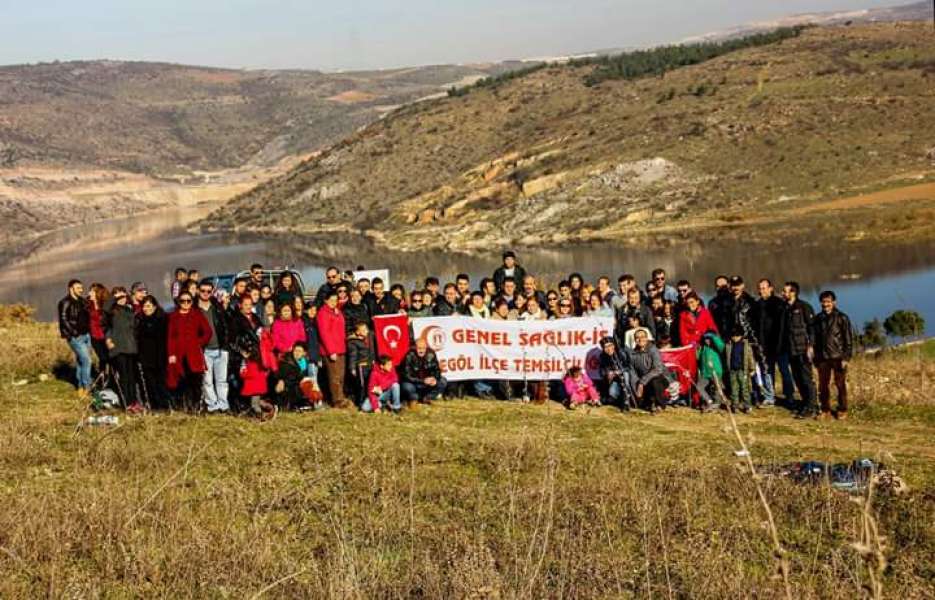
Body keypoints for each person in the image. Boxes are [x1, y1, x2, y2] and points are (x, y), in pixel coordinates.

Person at [166, 291, 213, 412]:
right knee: (182, 381)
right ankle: (185, 407)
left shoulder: (197, 314)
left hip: (194, 353)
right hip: (179, 353)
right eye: (183, 301)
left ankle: (197, 407)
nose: (186, 303)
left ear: (192, 302)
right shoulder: (173, 317)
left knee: (196, 381)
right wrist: (171, 354)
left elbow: (208, 332)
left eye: (188, 301)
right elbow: (171, 337)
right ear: (178, 302)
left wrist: (199, 343)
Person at [779, 281, 818, 418]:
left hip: (803, 349)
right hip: (791, 350)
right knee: (797, 378)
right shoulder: (784, 308)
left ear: (793, 292)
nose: (783, 293)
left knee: (806, 378)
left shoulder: (804, 307)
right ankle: (805, 403)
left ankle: (813, 407)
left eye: (785, 291)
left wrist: (811, 346)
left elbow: (812, 328)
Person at [813, 290, 853, 420]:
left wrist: (846, 357)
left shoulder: (842, 317)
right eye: (823, 302)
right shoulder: (818, 319)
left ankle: (842, 409)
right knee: (823, 385)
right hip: (822, 357)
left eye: (828, 302)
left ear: (834, 302)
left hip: (838, 357)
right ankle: (825, 410)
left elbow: (848, 340)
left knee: (840, 384)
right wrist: (814, 355)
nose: (826, 304)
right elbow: (814, 338)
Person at [106, 287, 143, 413]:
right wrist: (115, 297)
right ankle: (126, 403)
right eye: (118, 297)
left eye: (123, 297)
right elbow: (104, 316)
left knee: (131, 376)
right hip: (119, 347)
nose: (122, 299)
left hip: (131, 347)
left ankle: (134, 402)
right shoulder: (111, 311)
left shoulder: (129, 309)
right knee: (124, 376)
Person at [197, 279, 231, 414]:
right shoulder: (195, 309)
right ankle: (212, 406)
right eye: (203, 291)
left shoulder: (217, 307)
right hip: (204, 350)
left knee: (222, 380)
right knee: (207, 381)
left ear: (212, 292)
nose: (205, 293)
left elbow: (225, 325)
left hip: (221, 348)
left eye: (208, 291)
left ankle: (223, 405)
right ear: (198, 291)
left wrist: (226, 344)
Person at [752, 278, 787, 406]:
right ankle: (769, 396)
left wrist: (781, 343)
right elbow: (755, 326)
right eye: (760, 288)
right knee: (767, 371)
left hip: (779, 344)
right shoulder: (757, 305)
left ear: (771, 288)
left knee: (784, 371)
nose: (762, 291)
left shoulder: (779, 304)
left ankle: (788, 396)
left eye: (764, 288)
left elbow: (783, 326)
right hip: (763, 345)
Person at [58, 279, 92, 396]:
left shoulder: (83, 301)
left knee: (81, 361)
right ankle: (87, 387)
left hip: (86, 335)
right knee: (87, 361)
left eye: (81, 288)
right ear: (70, 288)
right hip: (75, 337)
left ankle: (80, 387)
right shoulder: (65, 302)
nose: (81, 290)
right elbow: (63, 320)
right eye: (78, 288)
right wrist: (73, 333)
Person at [317, 290, 350, 408]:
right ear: (326, 300)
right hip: (331, 350)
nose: (334, 302)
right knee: (334, 376)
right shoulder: (323, 313)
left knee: (341, 375)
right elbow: (324, 333)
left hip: (341, 347)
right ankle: (337, 400)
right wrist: (331, 351)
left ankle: (340, 396)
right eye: (331, 300)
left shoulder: (336, 311)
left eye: (335, 300)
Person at [137, 295, 171, 410]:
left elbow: (165, 339)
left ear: (155, 307)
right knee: (150, 384)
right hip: (146, 358)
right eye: (144, 306)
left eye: (149, 306)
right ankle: (155, 406)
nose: (146, 309)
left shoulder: (162, 319)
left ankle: (165, 405)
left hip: (160, 357)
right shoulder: (140, 321)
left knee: (161, 383)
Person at [628, 329, 668, 412]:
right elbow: (633, 374)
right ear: (635, 340)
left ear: (647, 338)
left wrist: (642, 382)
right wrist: (636, 388)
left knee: (655, 381)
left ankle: (660, 405)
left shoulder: (653, 350)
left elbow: (658, 369)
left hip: (659, 379)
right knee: (641, 403)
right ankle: (649, 402)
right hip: (644, 383)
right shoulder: (632, 355)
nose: (640, 339)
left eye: (642, 337)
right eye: (637, 338)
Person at [274, 343, 323, 411]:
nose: (297, 353)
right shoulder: (286, 362)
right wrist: (282, 380)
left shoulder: (305, 362)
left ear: (304, 353)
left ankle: (315, 402)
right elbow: (282, 377)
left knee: (311, 381)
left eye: (299, 351)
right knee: (307, 382)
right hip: (289, 388)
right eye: (295, 351)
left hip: (297, 386)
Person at [401, 339, 446, 405]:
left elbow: (437, 370)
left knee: (443, 381)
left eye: (423, 348)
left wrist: (434, 378)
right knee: (406, 386)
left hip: (427, 381)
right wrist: (422, 380)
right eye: (419, 348)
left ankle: (427, 398)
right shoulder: (409, 355)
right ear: (415, 347)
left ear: (426, 347)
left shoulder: (431, 354)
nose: (421, 350)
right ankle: (413, 399)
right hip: (415, 382)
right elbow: (406, 375)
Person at [598, 336, 633, 410]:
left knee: (625, 375)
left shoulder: (621, 352)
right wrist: (608, 373)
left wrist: (619, 371)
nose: (609, 348)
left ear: (614, 345)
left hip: (627, 376)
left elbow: (629, 366)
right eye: (606, 347)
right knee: (612, 394)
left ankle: (626, 399)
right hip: (615, 379)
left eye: (610, 345)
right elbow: (601, 371)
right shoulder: (602, 357)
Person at [725, 326, 755, 413]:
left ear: (741, 336)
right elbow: (727, 357)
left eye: (737, 336)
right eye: (733, 336)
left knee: (744, 389)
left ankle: (747, 405)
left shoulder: (746, 345)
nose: (735, 338)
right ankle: (735, 405)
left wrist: (752, 368)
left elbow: (750, 357)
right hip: (732, 370)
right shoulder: (729, 345)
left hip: (742, 370)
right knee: (734, 389)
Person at [346, 321, 375, 407]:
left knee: (370, 383)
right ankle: (360, 402)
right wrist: (352, 368)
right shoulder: (353, 342)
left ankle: (369, 401)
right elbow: (352, 356)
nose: (366, 331)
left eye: (366, 329)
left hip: (370, 365)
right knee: (362, 385)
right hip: (361, 366)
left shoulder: (369, 337)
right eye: (363, 330)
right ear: (358, 332)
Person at [87, 283, 111, 382]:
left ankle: (109, 378)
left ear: (98, 293)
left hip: (105, 336)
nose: (89, 293)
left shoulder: (105, 305)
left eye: (92, 291)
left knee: (108, 358)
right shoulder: (88, 305)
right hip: (94, 337)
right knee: (103, 357)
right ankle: (103, 377)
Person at [695, 331, 724, 410]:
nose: (706, 341)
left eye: (708, 339)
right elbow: (697, 357)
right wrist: (696, 349)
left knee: (717, 388)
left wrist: (713, 336)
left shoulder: (716, 348)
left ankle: (717, 403)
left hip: (716, 371)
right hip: (706, 373)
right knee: (699, 387)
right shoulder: (703, 348)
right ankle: (709, 401)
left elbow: (721, 346)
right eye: (705, 339)